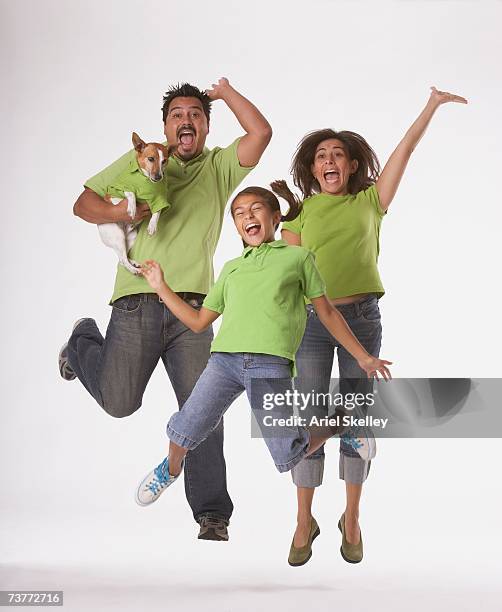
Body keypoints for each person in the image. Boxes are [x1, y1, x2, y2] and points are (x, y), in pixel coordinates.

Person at [58, 78, 273, 542]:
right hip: (135, 301)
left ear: (207, 126)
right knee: (119, 402)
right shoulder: (143, 159)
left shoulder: (218, 168)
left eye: (195, 114)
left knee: (204, 409)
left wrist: (225, 92)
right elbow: (83, 204)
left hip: (193, 309)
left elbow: (260, 134)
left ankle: (212, 513)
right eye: (177, 114)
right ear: (164, 128)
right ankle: (81, 343)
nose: (186, 120)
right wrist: (122, 213)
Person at [133, 186, 392, 541]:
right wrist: (162, 288)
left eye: (256, 209)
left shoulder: (297, 259)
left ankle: (341, 425)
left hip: (269, 367)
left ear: (275, 218)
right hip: (224, 362)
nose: (247, 216)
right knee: (185, 427)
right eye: (239, 213)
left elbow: (327, 312)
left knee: (289, 454)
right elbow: (197, 322)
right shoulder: (232, 268)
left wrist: (362, 356)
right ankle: (170, 469)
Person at [280, 86, 467, 565]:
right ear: (311, 168)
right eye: (321, 155)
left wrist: (431, 105)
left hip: (362, 319)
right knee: (310, 420)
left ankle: (353, 516)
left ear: (352, 165)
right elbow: (283, 275)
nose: (330, 160)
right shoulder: (299, 214)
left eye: (338, 154)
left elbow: (405, 149)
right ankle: (304, 520)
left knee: (356, 420)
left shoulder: (370, 202)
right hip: (311, 323)